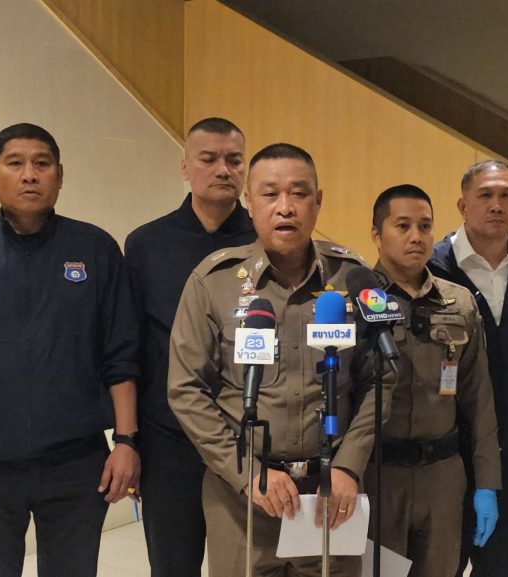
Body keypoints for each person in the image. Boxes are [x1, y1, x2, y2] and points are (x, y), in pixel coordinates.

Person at [0, 123, 139, 577]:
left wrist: (126, 442)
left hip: (76, 462)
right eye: (14, 163)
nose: (29, 175)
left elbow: (120, 355)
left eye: (42, 164)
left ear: (60, 175)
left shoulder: (95, 249)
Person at [168, 143, 391, 576]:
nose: (285, 207)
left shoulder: (355, 278)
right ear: (250, 203)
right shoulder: (213, 282)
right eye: (270, 194)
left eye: (299, 193)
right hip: (242, 500)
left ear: (318, 201)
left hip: (330, 495)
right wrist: (248, 473)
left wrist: (349, 465)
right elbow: (185, 390)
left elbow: (381, 381)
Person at [124, 117, 256, 577]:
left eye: (234, 160)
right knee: (172, 566)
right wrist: (129, 440)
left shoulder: (265, 242)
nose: (223, 169)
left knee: (246, 566)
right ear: (185, 166)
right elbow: (132, 347)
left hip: (247, 438)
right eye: (209, 159)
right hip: (168, 440)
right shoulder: (146, 244)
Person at [428, 160, 508, 577]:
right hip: (446, 452)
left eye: (506, 196)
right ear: (463, 205)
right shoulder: (431, 267)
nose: (496, 205)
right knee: (440, 565)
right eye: (485, 195)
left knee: (500, 566)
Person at [367, 184, 501, 576]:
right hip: (378, 475)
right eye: (403, 226)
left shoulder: (459, 302)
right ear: (377, 234)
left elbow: (479, 398)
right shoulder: (354, 300)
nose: (417, 236)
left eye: (425, 226)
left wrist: (487, 483)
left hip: (441, 476)